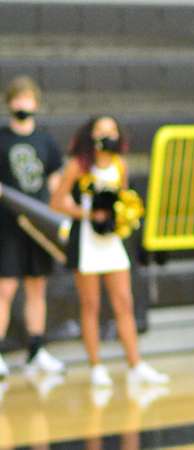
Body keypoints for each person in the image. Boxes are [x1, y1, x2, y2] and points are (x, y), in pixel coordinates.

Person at [50, 116, 168, 387]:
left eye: (112, 130)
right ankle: (96, 366)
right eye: (101, 131)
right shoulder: (78, 165)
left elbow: (125, 198)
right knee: (90, 304)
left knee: (124, 303)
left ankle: (135, 364)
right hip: (87, 241)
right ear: (90, 135)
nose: (107, 135)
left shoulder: (120, 165)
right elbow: (57, 202)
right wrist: (89, 213)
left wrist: (124, 216)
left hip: (112, 242)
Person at [0, 75, 65, 379]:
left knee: (37, 286)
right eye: (17, 98)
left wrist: (51, 214)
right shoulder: (2, 138)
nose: (22, 104)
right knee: (5, 287)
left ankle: (36, 350)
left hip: (37, 223)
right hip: (8, 224)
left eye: (27, 98)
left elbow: (54, 179)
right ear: (9, 103)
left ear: (35, 103)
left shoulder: (45, 140)